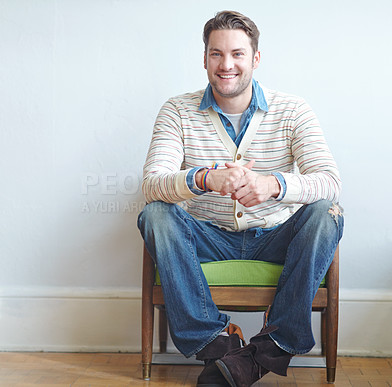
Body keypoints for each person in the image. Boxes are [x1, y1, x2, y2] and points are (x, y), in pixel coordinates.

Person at [137, 10, 344, 387]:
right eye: (216, 54)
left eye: (237, 54)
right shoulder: (176, 111)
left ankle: (272, 346)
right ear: (204, 59)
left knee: (327, 213)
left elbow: (329, 182)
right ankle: (217, 344)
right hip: (208, 237)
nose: (226, 64)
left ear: (255, 58)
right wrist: (204, 179)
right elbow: (152, 184)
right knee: (156, 215)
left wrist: (274, 185)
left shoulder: (293, 110)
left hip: (275, 237)